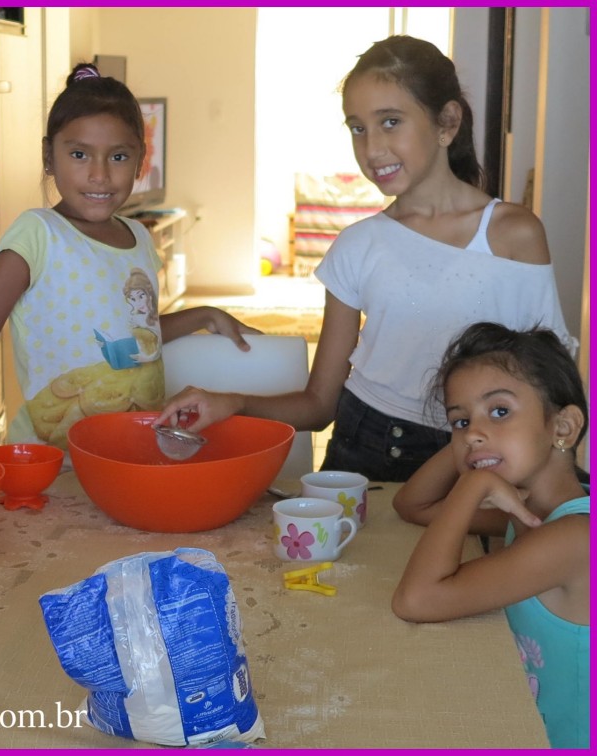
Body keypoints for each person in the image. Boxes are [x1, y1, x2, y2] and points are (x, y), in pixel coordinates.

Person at [155, 35, 574, 482]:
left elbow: (553, 386)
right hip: (366, 449)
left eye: (390, 122)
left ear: (446, 123)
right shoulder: (357, 246)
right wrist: (231, 403)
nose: (371, 149)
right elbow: (319, 406)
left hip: (481, 454)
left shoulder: (513, 234)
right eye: (357, 128)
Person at [0, 63, 253, 451]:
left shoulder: (138, 237)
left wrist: (204, 315)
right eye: (80, 154)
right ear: (49, 157)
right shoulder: (39, 233)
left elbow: (134, 336)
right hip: (55, 465)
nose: (99, 175)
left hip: (135, 449)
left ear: (141, 160)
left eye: (118, 157)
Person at [391, 323, 588, 749]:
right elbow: (413, 506)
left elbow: (417, 600)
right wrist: (478, 443)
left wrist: (474, 482)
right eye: (458, 421)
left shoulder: (573, 538)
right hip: (521, 718)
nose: (472, 432)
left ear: (563, 428)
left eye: (500, 411)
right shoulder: (532, 513)